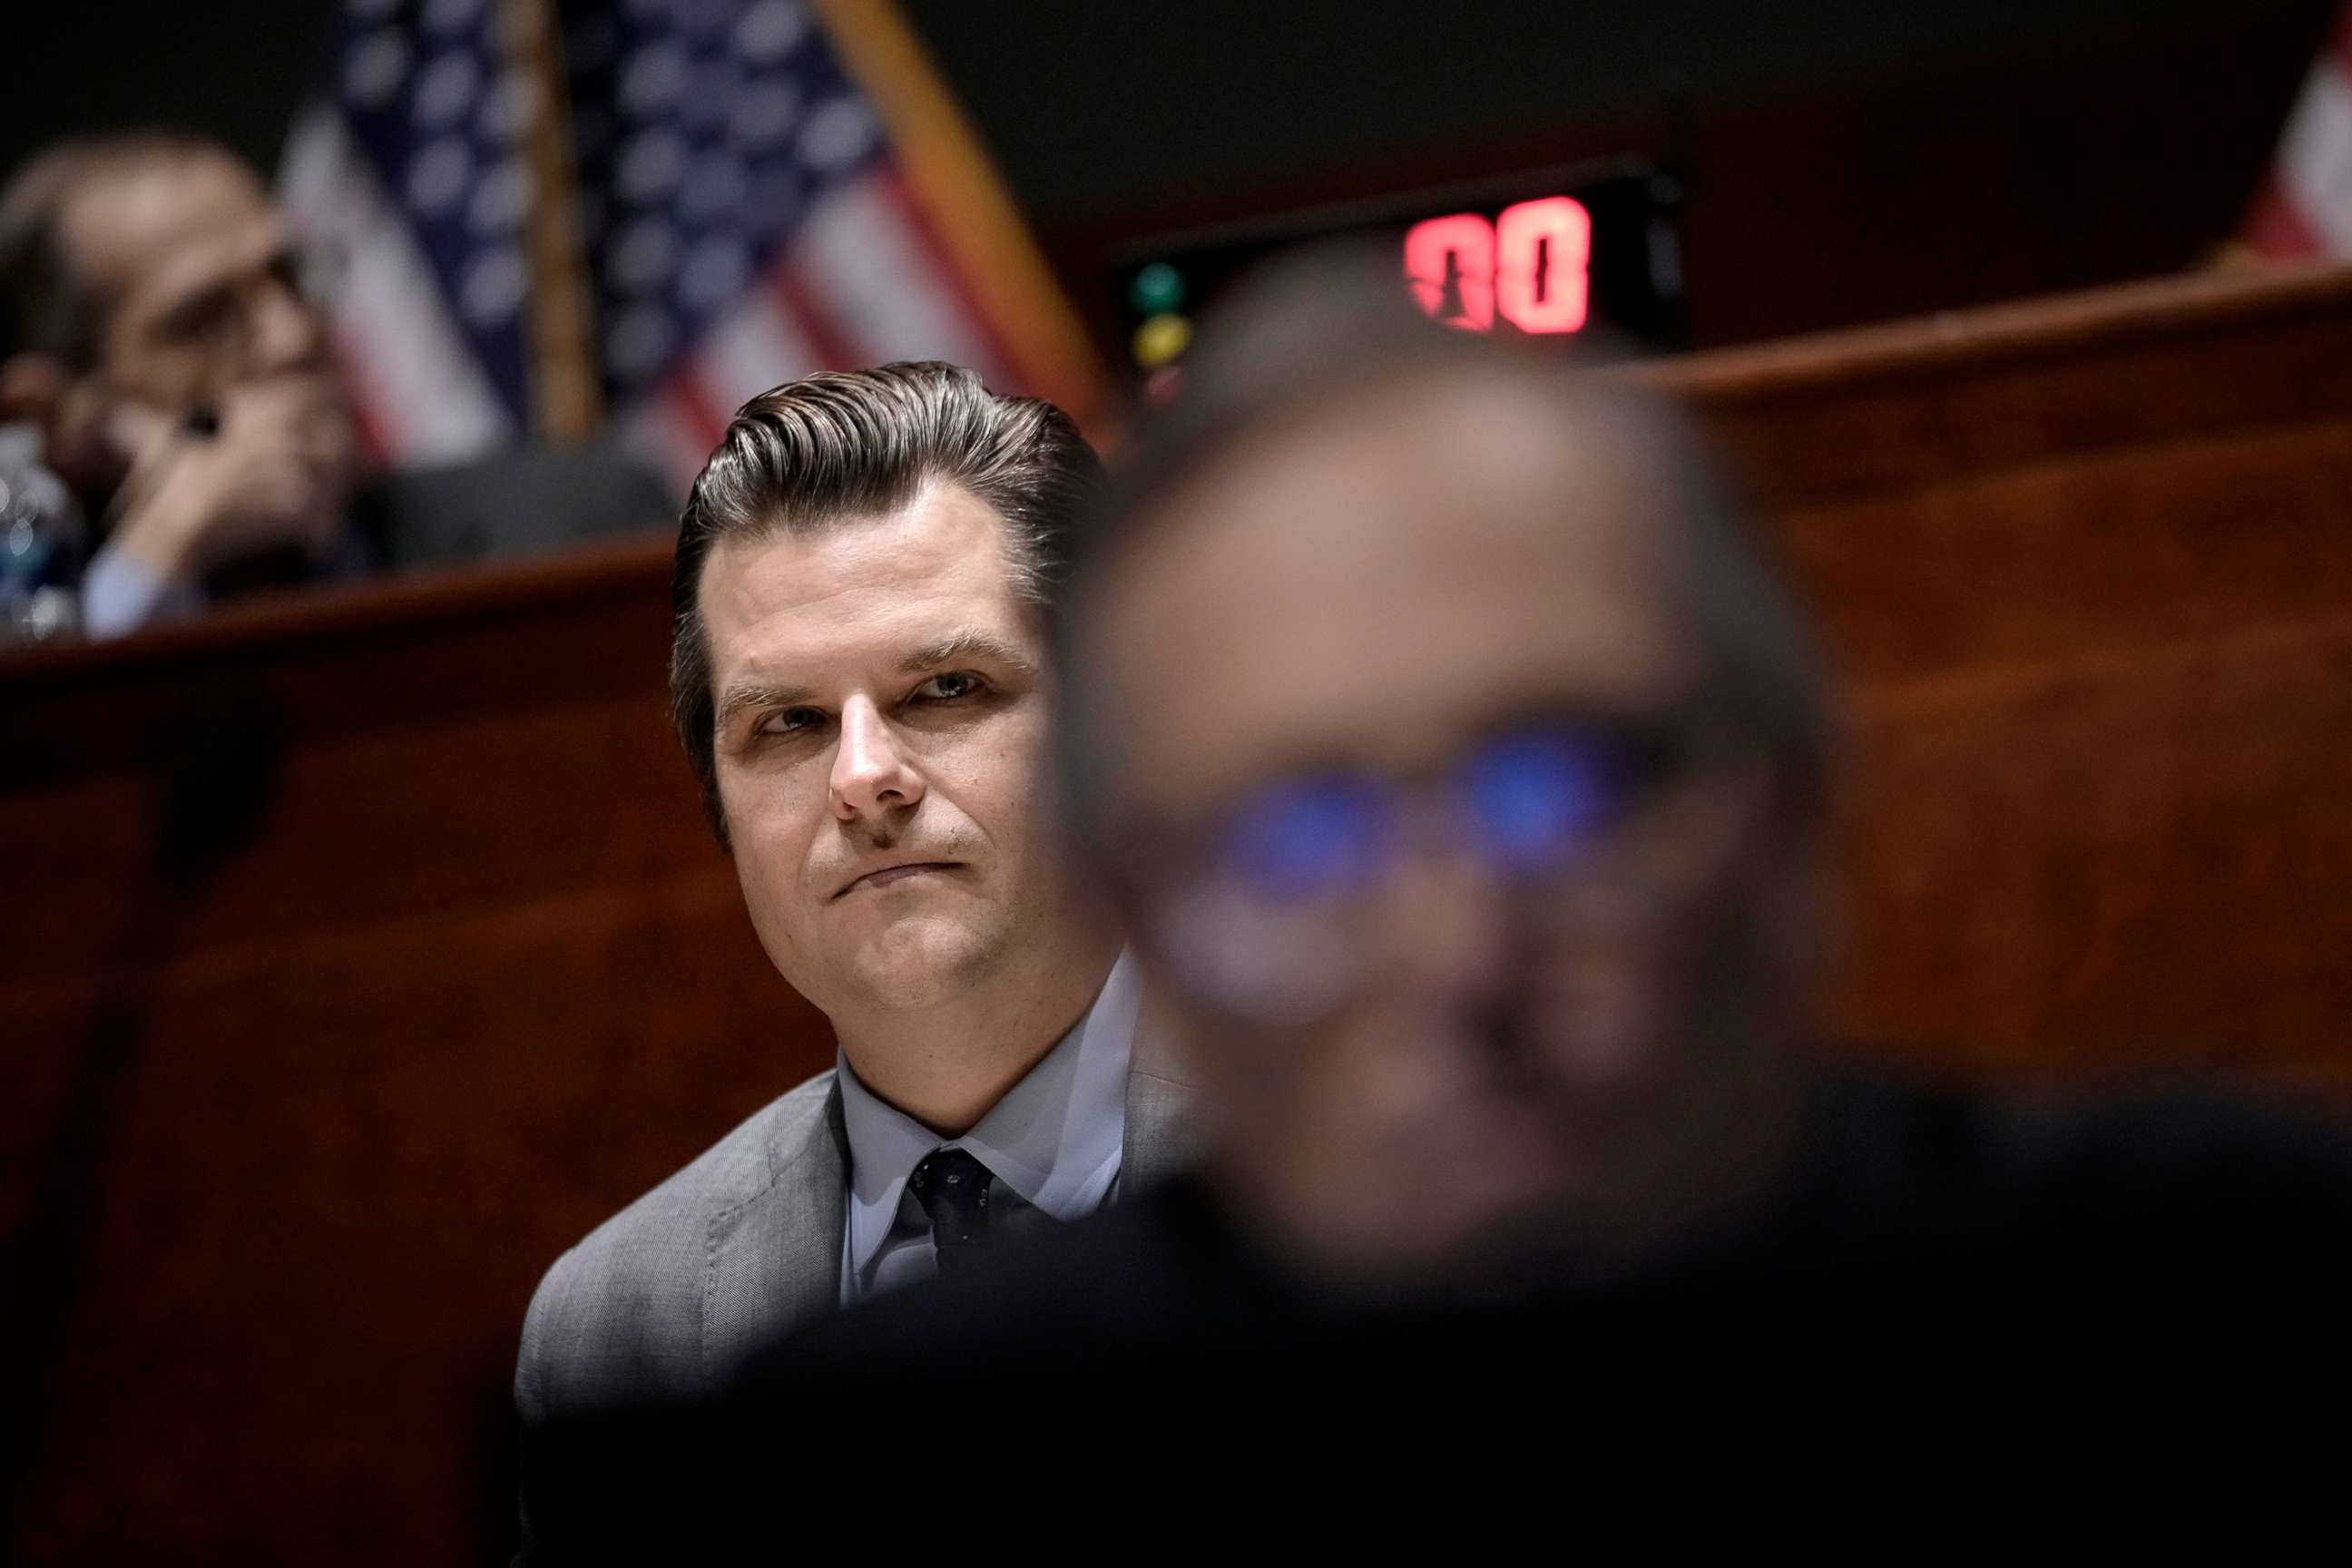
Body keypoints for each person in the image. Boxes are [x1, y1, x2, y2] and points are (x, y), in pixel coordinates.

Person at [722, 255, 2352, 1506]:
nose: (1457, 946)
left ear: (1791, 817)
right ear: (1153, 921)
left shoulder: (2242, 1302)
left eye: (1562, 790)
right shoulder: (845, 1482)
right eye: (1301, 842)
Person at [513, 363, 1205, 1556]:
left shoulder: (1376, 1186)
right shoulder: (611, 1330)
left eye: (944, 689)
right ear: (719, 805)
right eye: (786, 723)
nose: (861, 776)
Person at [0, 131, 668, 639]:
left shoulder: (585, 520)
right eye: (204, 319)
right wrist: (158, 556)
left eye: (291, 277)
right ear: (55, 413)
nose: (293, 336)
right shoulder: (41, 611)